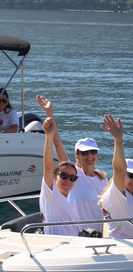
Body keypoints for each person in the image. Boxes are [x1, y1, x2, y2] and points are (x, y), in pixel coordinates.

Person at [37, 95, 108, 234]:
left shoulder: (103, 179)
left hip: (96, 235)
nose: (89, 155)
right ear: (78, 156)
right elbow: (56, 147)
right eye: (85, 152)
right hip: (79, 238)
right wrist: (49, 114)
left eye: (93, 151)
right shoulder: (75, 173)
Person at [98, 114, 133, 239]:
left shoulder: (127, 197)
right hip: (129, 249)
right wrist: (118, 139)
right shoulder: (116, 195)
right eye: (132, 175)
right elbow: (119, 169)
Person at [40, 117, 82, 236]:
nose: (68, 180)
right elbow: (48, 166)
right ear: (54, 177)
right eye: (63, 176)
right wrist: (49, 136)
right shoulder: (50, 196)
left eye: (72, 178)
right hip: (57, 248)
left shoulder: (67, 201)